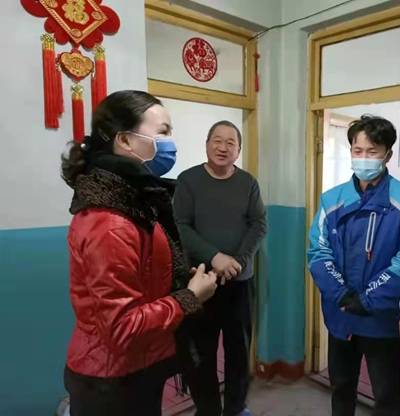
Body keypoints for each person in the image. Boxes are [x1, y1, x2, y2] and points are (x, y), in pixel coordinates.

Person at [61, 90, 218, 416]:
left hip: (137, 367)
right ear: (125, 140)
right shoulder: (111, 222)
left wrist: (178, 281)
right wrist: (189, 297)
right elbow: (121, 328)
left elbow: (141, 278)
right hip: (111, 381)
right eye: (163, 132)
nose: (171, 142)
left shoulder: (135, 200)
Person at [307, 115, 400, 416]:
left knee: (386, 396)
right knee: (341, 387)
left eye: (372, 151)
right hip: (340, 315)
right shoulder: (332, 200)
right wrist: (340, 293)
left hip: (381, 319)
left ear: (387, 154)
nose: (363, 157)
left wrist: (368, 299)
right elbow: (318, 252)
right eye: (357, 150)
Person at [173, 120, 267, 416]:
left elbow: (258, 224)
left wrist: (238, 261)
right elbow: (180, 226)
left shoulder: (248, 183)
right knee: (201, 353)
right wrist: (215, 257)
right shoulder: (188, 180)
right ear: (207, 145)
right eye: (217, 140)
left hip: (240, 281)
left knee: (239, 349)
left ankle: (236, 407)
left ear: (238, 150)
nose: (223, 147)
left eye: (230, 142)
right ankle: (208, 410)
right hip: (201, 282)